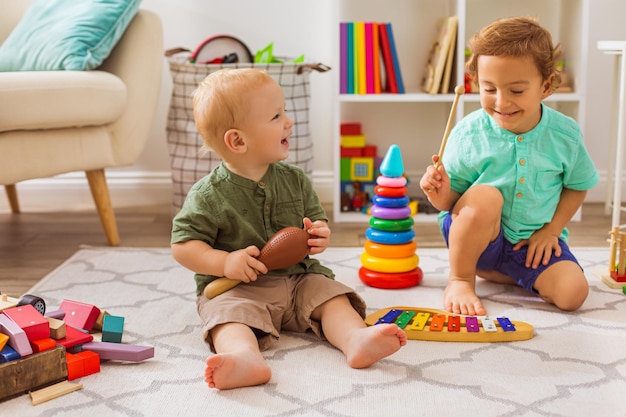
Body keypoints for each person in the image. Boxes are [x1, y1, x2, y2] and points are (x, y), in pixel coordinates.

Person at [171, 68, 406, 390]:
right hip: (237, 288)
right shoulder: (208, 195)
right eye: (276, 116)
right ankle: (244, 358)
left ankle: (355, 339)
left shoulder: (294, 179)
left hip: (299, 279)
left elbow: (314, 220)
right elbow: (183, 245)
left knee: (332, 296)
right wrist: (224, 263)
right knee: (228, 317)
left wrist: (319, 233)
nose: (289, 122)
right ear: (238, 140)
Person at [419, 17, 599, 316]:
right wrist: (437, 191)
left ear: (547, 85)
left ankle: (507, 272)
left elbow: (578, 185)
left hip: (532, 245)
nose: (501, 102)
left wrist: (552, 231)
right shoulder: (467, 134)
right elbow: (449, 205)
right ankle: (462, 279)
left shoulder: (564, 134)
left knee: (573, 294)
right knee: (486, 196)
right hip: (477, 241)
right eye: (489, 89)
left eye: (516, 91)